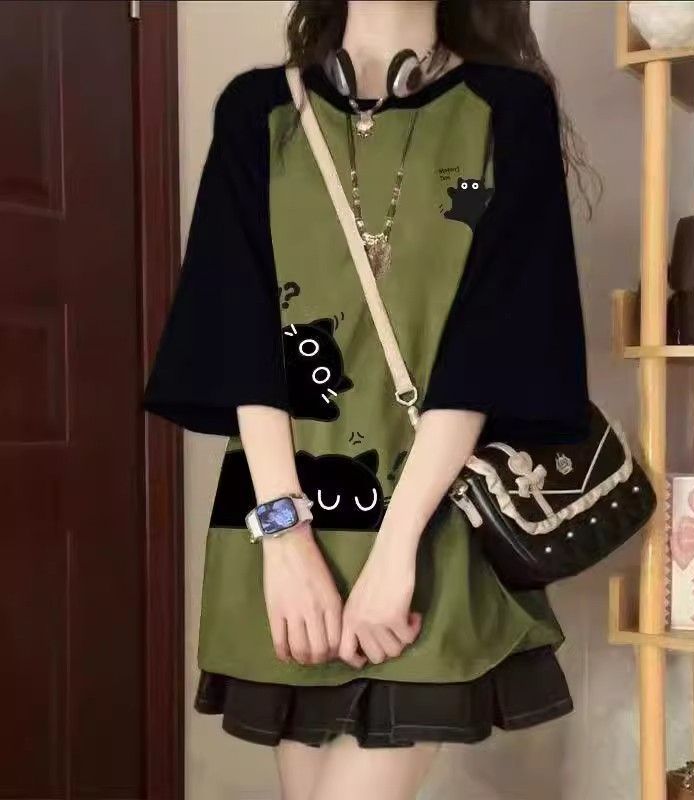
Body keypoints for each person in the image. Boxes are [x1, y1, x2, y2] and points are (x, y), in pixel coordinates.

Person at [144, 1, 592, 798]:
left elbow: (491, 346)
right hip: (285, 528)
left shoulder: (507, 109)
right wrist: (285, 543)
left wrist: (396, 555)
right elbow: (240, 332)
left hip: (429, 529)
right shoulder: (259, 110)